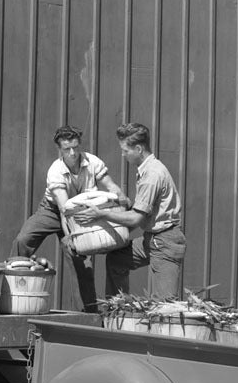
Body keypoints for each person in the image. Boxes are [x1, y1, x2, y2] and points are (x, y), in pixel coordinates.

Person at [11, 124, 126, 312]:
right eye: (67, 149)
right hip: (54, 210)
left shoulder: (93, 162)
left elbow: (111, 185)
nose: (72, 153)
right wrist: (71, 236)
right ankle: (14, 289)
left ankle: (87, 313)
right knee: (23, 239)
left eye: (75, 147)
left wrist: (120, 196)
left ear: (79, 144)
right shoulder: (55, 171)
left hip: (82, 212)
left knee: (82, 260)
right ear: (60, 149)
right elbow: (65, 209)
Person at [72, 122, 185, 299]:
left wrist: (101, 214)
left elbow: (135, 219)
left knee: (166, 306)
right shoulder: (145, 170)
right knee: (117, 260)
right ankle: (119, 308)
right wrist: (109, 234)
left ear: (138, 149)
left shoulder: (152, 175)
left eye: (125, 150)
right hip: (152, 239)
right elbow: (139, 215)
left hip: (164, 242)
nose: (123, 154)